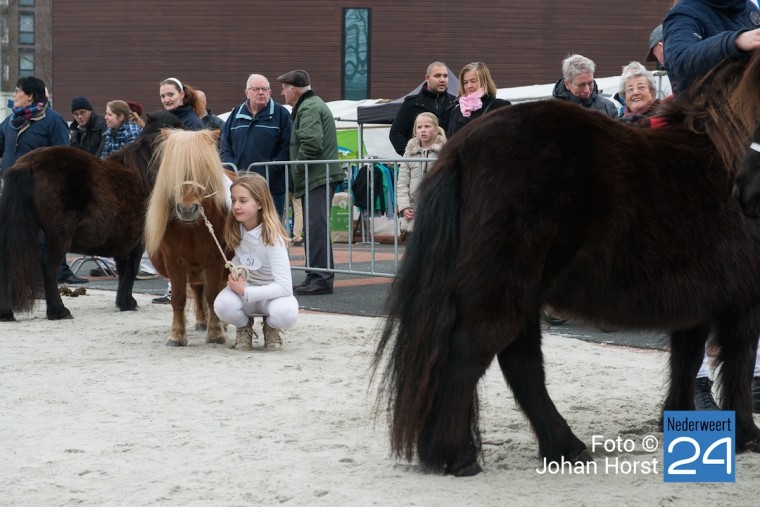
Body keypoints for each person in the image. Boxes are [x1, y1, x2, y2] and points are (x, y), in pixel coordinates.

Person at [662, 0, 760, 412]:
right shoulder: (685, 14)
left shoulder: (753, 9)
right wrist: (738, 41)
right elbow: (681, 61)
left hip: (750, 138)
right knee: (694, 275)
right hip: (702, 140)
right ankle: (696, 382)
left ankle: (753, 380)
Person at [0, 76, 87, 284]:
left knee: (42, 235)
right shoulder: (10, 121)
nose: (14, 94)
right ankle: (20, 277)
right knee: (13, 234)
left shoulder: (53, 120)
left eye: (18, 90)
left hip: (41, 190)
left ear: (30, 96)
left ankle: (44, 280)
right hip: (13, 188)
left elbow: (64, 157)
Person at [213, 174, 298, 351]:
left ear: (260, 203)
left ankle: (272, 327)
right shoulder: (235, 228)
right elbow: (217, 184)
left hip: (271, 296)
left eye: (243, 201)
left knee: (287, 313)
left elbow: (285, 287)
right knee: (222, 305)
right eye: (233, 200)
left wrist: (245, 291)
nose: (236, 206)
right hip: (245, 292)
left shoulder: (273, 237)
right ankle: (243, 327)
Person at [278, 69, 343, 296]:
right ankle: (315, 275)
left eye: (284, 88)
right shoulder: (309, 106)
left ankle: (321, 278)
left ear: (294, 89)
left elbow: (312, 143)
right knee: (314, 228)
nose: (282, 92)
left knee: (316, 228)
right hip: (316, 176)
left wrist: (298, 168)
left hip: (317, 176)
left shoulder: (309, 107)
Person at [153, 77, 204, 303]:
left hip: (187, 186)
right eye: (163, 96)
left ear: (182, 94)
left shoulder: (191, 121)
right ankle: (173, 284)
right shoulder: (165, 120)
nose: (166, 99)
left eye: (170, 94)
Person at [220, 74, 292, 217]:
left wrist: (268, 171)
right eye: (256, 89)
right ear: (247, 92)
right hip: (240, 184)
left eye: (265, 89)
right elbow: (225, 145)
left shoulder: (281, 114)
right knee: (242, 227)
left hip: (270, 186)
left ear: (270, 92)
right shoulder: (235, 114)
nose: (261, 92)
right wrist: (235, 170)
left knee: (270, 227)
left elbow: (286, 147)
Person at [663, 0, 760, 95]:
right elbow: (680, 58)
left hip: (749, 100)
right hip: (702, 106)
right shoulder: (684, 12)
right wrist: (735, 41)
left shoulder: (749, 8)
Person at [388, 61, 457, 155]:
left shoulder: (455, 103)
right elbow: (396, 133)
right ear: (427, 78)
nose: (442, 80)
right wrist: (410, 156)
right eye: (437, 76)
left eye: (445, 76)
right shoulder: (411, 104)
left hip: (447, 161)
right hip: (419, 165)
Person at [397, 112, 446, 234]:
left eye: (427, 126)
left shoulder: (445, 152)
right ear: (415, 131)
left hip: (437, 207)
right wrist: (404, 206)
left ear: (436, 130)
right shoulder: (408, 153)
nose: (423, 130)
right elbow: (402, 183)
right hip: (414, 208)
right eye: (419, 127)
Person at [447, 62, 511, 138]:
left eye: (473, 81)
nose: (469, 86)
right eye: (465, 82)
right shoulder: (456, 111)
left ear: (484, 82)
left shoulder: (500, 106)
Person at [552, 54, 619, 118]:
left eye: (590, 83)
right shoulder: (550, 110)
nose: (587, 90)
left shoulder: (608, 107)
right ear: (567, 84)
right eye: (581, 85)